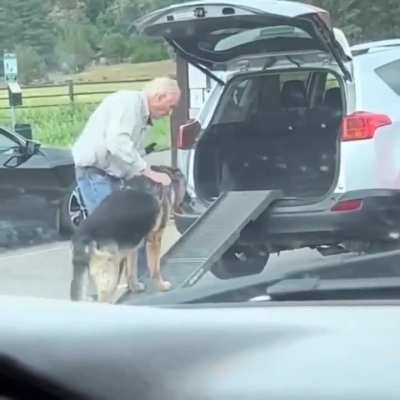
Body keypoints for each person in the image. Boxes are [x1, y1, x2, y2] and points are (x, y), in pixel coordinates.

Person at [71, 76, 181, 274]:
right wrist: (147, 171)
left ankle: (137, 279)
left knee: (131, 226)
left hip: (112, 174)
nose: (169, 113)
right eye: (170, 106)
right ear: (158, 96)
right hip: (95, 173)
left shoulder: (142, 115)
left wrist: (141, 175)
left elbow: (129, 153)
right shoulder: (129, 103)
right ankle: (102, 292)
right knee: (110, 233)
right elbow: (117, 143)